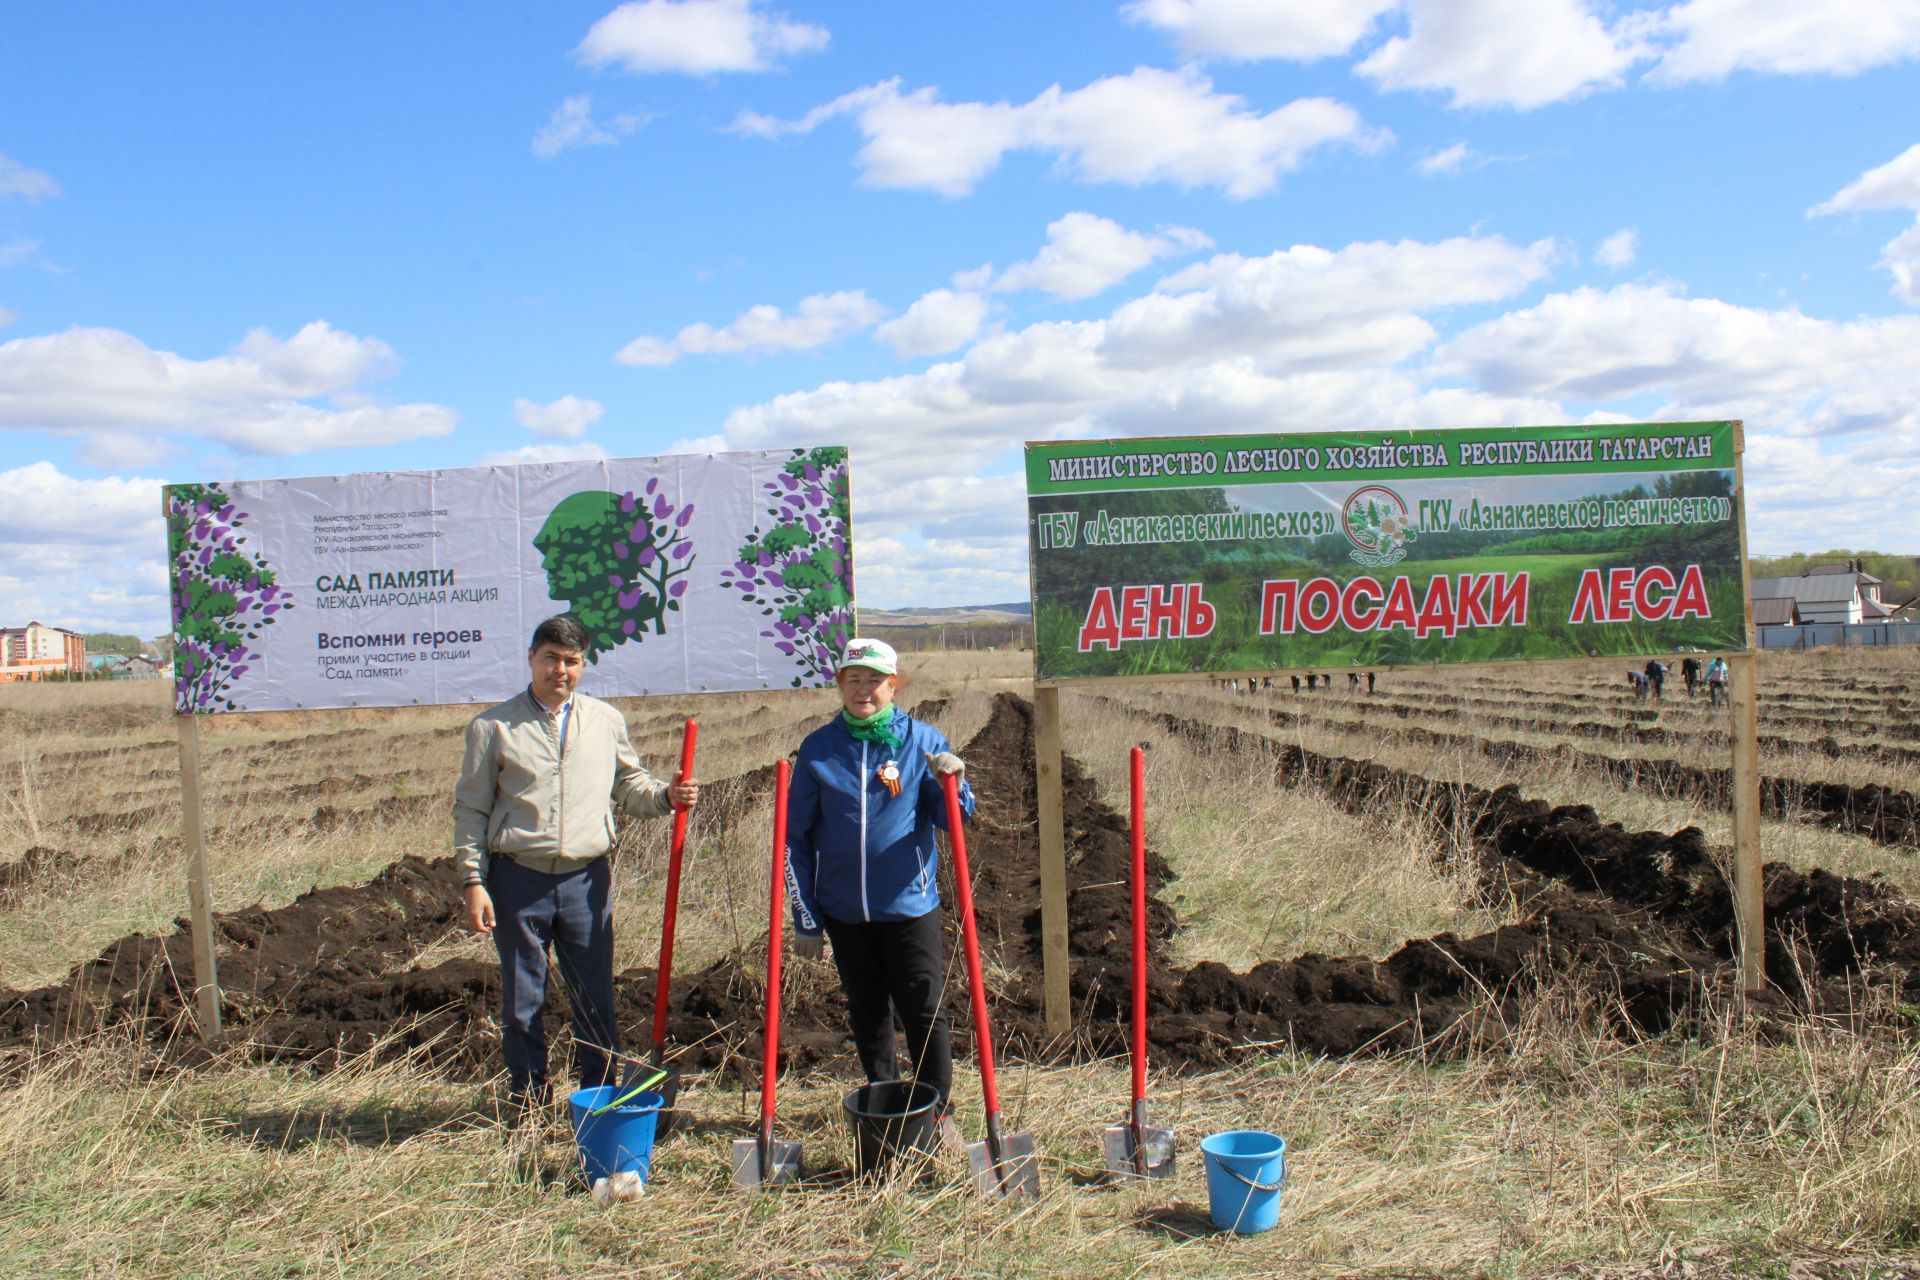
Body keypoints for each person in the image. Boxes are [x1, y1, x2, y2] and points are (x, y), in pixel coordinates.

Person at [454, 614, 699, 1120]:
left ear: (583, 665)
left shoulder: (605, 721)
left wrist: (667, 797)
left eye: (571, 661)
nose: (559, 670)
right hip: (516, 879)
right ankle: (527, 1107)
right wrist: (474, 881)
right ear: (531, 659)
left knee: (595, 999)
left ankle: (597, 1104)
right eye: (550, 658)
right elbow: (472, 809)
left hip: (586, 881)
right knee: (524, 1001)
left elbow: (631, 786)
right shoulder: (492, 726)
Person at [785, 638, 976, 1146]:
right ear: (840, 684)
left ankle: (937, 1108)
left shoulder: (921, 741)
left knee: (923, 1008)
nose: (863, 689)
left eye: (874, 679)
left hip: (909, 905)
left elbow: (951, 817)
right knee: (867, 1010)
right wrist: (806, 918)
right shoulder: (819, 749)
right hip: (845, 911)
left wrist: (955, 782)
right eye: (853, 678)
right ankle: (885, 1102)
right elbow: (795, 838)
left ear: (894, 684)